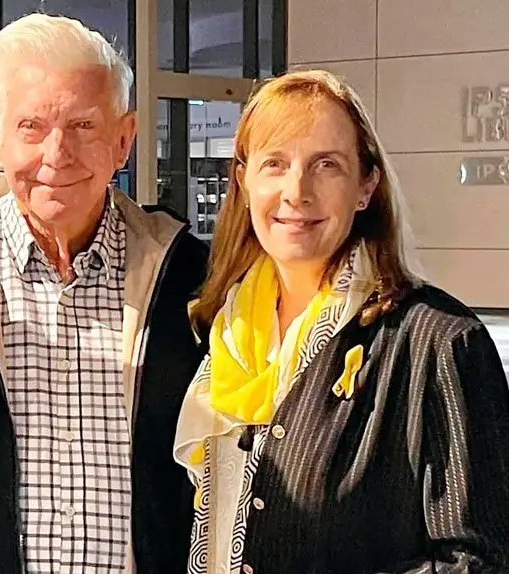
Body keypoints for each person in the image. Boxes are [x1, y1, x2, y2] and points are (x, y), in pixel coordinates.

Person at [0, 13, 208, 574]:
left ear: (124, 139)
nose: (57, 153)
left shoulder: (192, 281)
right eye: (31, 126)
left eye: (83, 125)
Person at [173, 69, 509, 574]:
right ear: (243, 183)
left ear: (366, 185)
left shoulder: (439, 343)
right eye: (274, 163)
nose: (296, 191)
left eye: (326, 165)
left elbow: (476, 560)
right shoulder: (221, 332)